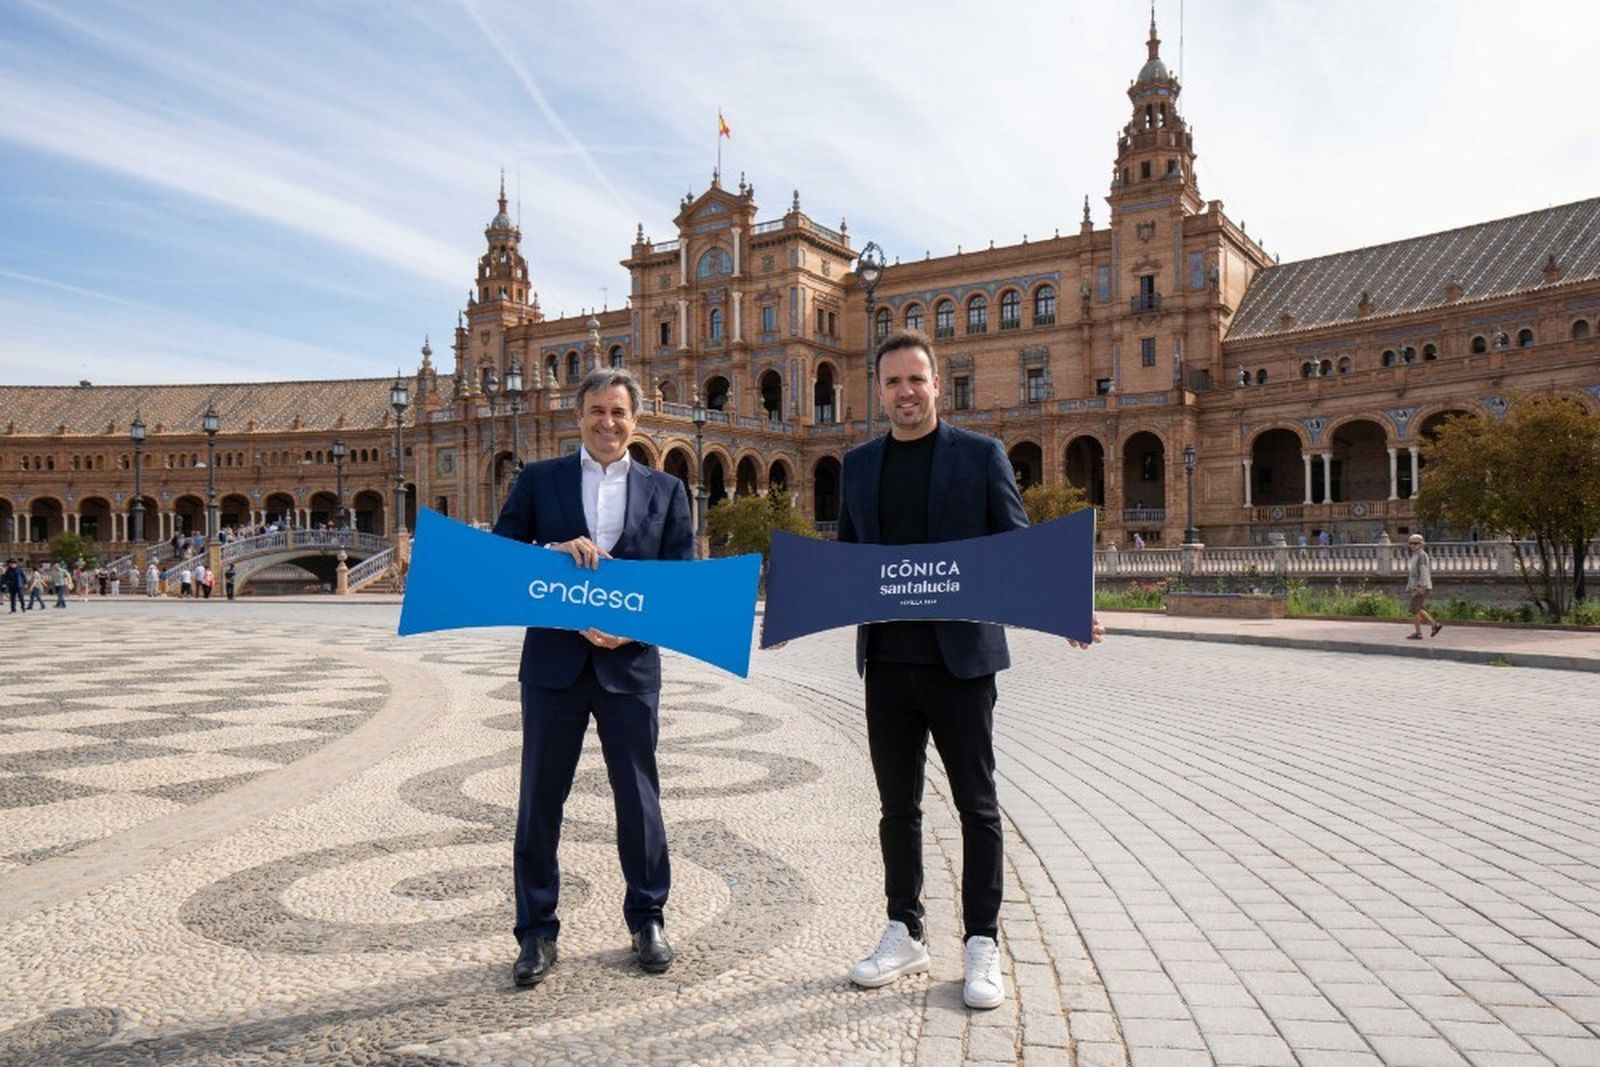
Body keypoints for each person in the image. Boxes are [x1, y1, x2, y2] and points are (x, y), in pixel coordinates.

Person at [836, 329, 1103, 1011]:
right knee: (898, 807)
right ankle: (905, 928)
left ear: (936, 384)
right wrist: (796, 616)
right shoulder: (859, 466)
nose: (904, 392)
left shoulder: (980, 456)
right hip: (888, 663)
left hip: (962, 664)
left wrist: (1064, 605)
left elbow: (1015, 547)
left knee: (977, 806)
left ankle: (982, 940)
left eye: (916, 380)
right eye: (892, 381)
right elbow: (845, 563)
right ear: (880, 388)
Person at [491, 367, 693, 988]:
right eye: (597, 411)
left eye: (619, 413)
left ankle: (648, 918)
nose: (608, 423)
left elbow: (680, 586)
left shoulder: (667, 490)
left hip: (629, 667)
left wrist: (632, 630)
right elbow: (497, 558)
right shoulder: (540, 479)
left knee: (639, 799)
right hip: (553, 664)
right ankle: (536, 931)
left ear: (636, 421)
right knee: (539, 798)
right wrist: (547, 554)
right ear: (578, 417)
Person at [1406, 533, 1442, 639]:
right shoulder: (1415, 555)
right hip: (1416, 586)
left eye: (1415, 543)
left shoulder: (1422, 555)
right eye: (1410, 543)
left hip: (1421, 587)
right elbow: (1412, 574)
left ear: (1421, 544)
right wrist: (1410, 586)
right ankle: (1433, 625)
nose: (1412, 545)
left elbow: (1424, 571)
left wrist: (1421, 586)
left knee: (1414, 609)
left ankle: (1421, 631)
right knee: (1418, 609)